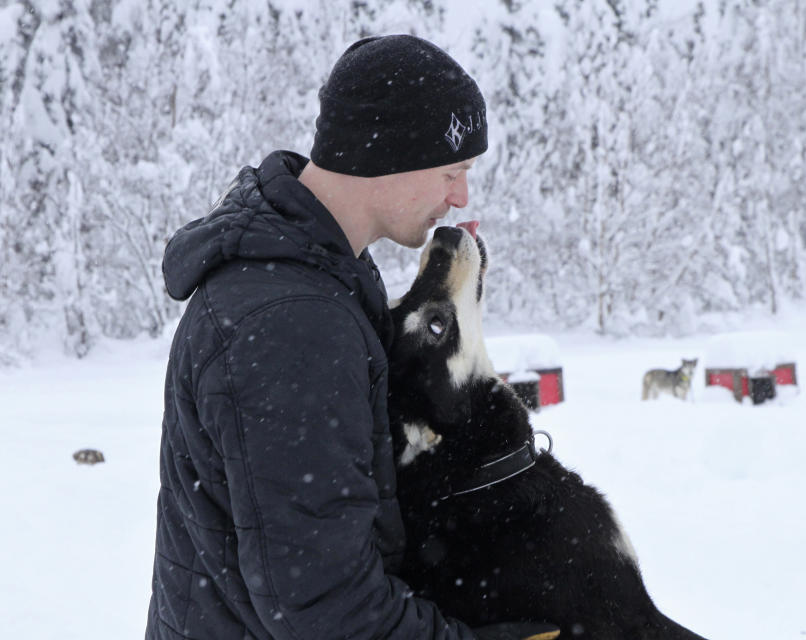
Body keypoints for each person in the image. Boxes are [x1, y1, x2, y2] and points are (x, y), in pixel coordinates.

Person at [145, 35, 559, 640]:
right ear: (390, 156)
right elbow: (326, 610)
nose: (460, 196)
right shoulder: (291, 322)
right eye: (453, 170)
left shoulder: (313, 276)